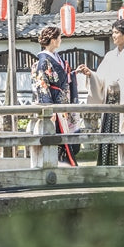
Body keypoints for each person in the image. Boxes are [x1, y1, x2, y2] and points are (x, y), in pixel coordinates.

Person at [76, 18, 124, 166]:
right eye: (113, 32)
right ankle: (107, 167)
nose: (114, 36)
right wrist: (90, 74)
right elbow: (100, 80)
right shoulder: (109, 56)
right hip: (110, 106)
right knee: (109, 137)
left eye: (117, 33)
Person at [31, 25, 80, 166]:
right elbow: (42, 86)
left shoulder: (57, 59)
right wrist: (48, 107)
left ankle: (65, 164)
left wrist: (74, 73)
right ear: (53, 40)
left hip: (62, 104)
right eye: (59, 37)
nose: (60, 40)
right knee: (58, 137)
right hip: (54, 104)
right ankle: (60, 164)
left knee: (68, 138)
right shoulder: (43, 62)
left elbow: (63, 78)